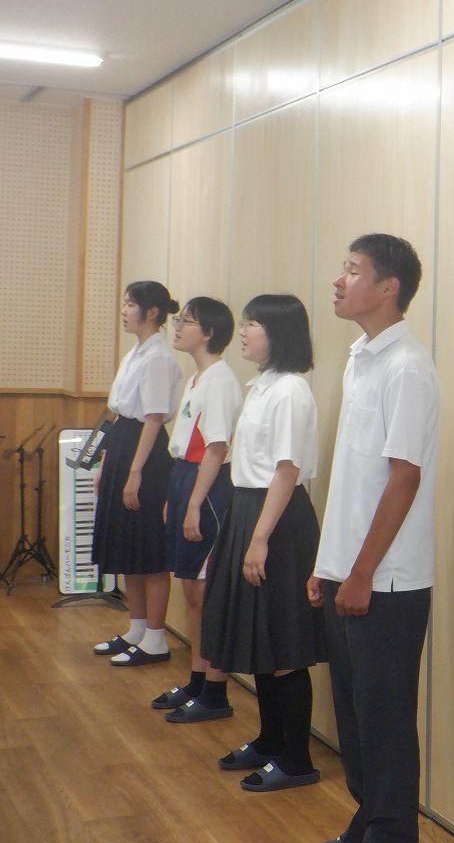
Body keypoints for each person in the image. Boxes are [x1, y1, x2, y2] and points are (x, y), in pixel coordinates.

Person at [307, 234, 438, 843]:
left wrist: (360, 573)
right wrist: (328, 564)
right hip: (349, 572)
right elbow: (353, 480)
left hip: (386, 582)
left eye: (353, 270)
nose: (339, 280)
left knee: (384, 721)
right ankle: (369, 820)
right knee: (355, 720)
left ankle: (389, 831)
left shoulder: (407, 366)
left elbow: (403, 477)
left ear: (389, 288)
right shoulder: (360, 357)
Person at [201, 294, 327, 792]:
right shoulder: (262, 385)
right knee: (260, 637)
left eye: (252, 323)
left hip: (278, 520)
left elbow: (287, 469)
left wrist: (259, 539)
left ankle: (297, 760)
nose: (244, 331)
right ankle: (270, 740)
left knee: (284, 640)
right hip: (250, 509)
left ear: (278, 333)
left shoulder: (291, 390)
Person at [150, 297, 243, 722]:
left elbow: (217, 449)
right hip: (185, 478)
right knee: (190, 589)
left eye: (186, 321)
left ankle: (216, 692)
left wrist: (192, 505)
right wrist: (175, 496)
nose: (177, 326)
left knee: (207, 592)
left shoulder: (220, 380)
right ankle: (198, 678)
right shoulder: (196, 378)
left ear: (208, 333)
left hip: (208, 487)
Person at [93, 280, 184, 666]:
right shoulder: (135, 352)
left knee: (149, 548)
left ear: (152, 313)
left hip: (145, 453)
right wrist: (105, 465)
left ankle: (157, 638)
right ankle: (137, 628)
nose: (124, 310)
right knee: (128, 544)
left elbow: (153, 417)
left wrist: (135, 473)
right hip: (124, 443)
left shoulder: (159, 357)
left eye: (131, 304)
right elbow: (120, 415)